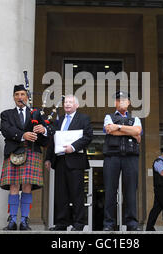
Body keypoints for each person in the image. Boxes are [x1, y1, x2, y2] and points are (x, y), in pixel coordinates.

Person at [0, 85, 49, 231]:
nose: (20, 97)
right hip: (14, 151)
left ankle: (25, 220)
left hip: (32, 151)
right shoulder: (6, 114)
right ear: (14, 97)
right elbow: (6, 130)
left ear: (27, 97)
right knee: (14, 185)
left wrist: (43, 130)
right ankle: (13, 220)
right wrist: (23, 135)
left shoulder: (37, 113)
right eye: (17, 94)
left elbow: (46, 134)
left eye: (22, 94)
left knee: (27, 185)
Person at [45, 95, 93, 231]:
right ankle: (61, 224)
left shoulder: (83, 118)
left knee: (76, 194)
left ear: (76, 105)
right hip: (60, 161)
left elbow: (88, 136)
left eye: (70, 102)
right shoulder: (58, 120)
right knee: (61, 194)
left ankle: (78, 224)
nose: (67, 104)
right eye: (65, 102)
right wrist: (48, 158)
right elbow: (52, 139)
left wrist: (73, 147)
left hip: (76, 162)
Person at [102, 91, 142, 231]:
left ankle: (132, 224)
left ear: (129, 103)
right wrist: (129, 131)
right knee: (110, 191)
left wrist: (118, 127)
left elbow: (137, 131)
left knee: (130, 191)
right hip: (112, 157)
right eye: (118, 100)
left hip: (130, 157)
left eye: (124, 100)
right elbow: (109, 130)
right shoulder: (108, 117)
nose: (121, 102)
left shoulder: (136, 118)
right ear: (115, 103)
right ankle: (109, 224)